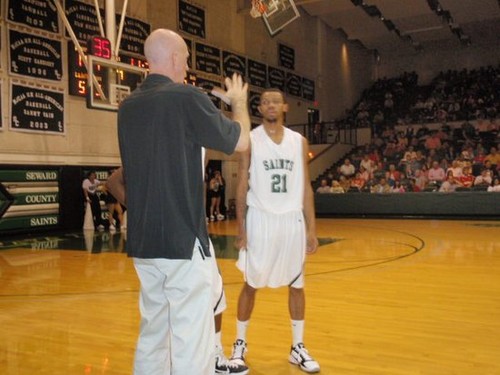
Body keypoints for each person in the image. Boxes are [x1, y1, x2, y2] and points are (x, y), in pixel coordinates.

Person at [117, 29, 250, 375]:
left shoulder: (127, 107)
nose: (188, 66)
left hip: (144, 241)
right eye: (187, 60)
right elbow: (241, 143)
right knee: (193, 337)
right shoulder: (186, 97)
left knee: (154, 333)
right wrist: (239, 103)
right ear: (175, 58)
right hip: (183, 238)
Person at [106, 168, 249, 375]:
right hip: (182, 239)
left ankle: (212, 354)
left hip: (162, 239)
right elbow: (112, 182)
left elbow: (112, 182)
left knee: (159, 323)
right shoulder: (165, 146)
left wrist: (146, 213)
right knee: (192, 318)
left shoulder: (156, 147)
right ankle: (213, 356)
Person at [232, 89, 320, 373]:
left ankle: (297, 347)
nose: (270, 104)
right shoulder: (251, 141)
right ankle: (239, 345)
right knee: (251, 284)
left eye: (275, 101)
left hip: (291, 221)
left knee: (297, 285)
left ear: (284, 107)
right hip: (261, 220)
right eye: (265, 101)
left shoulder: (299, 141)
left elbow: (306, 187)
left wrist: (311, 228)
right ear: (259, 108)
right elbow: (242, 185)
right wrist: (242, 228)